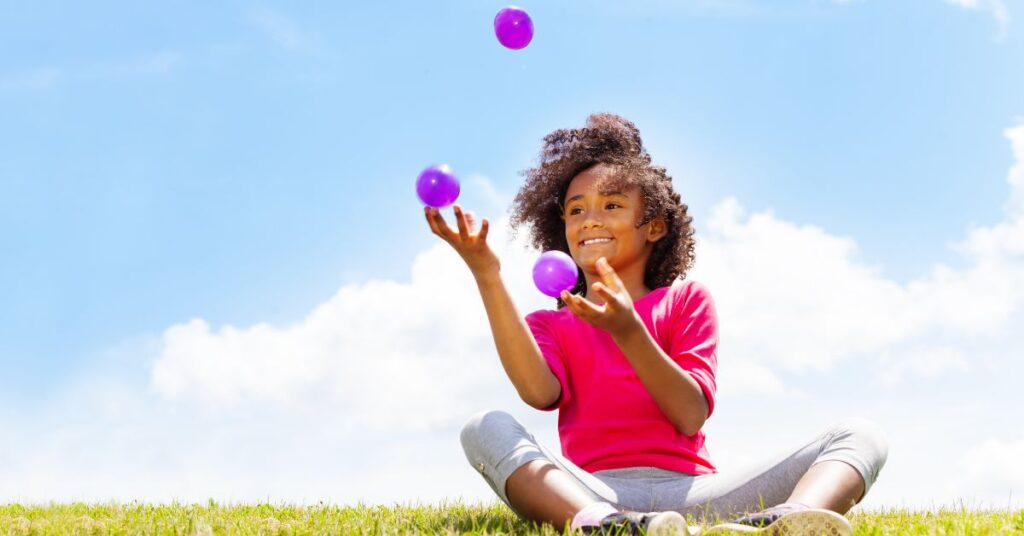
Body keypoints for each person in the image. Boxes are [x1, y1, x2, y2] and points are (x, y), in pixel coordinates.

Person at [424, 113, 888, 535]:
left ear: (655, 227)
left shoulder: (685, 300)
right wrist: (487, 274)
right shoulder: (550, 322)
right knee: (483, 426)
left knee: (860, 435)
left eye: (611, 206)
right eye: (576, 209)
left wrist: (628, 331)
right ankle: (605, 528)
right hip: (593, 492)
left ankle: (782, 523)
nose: (590, 220)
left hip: (696, 493)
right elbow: (538, 393)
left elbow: (690, 413)